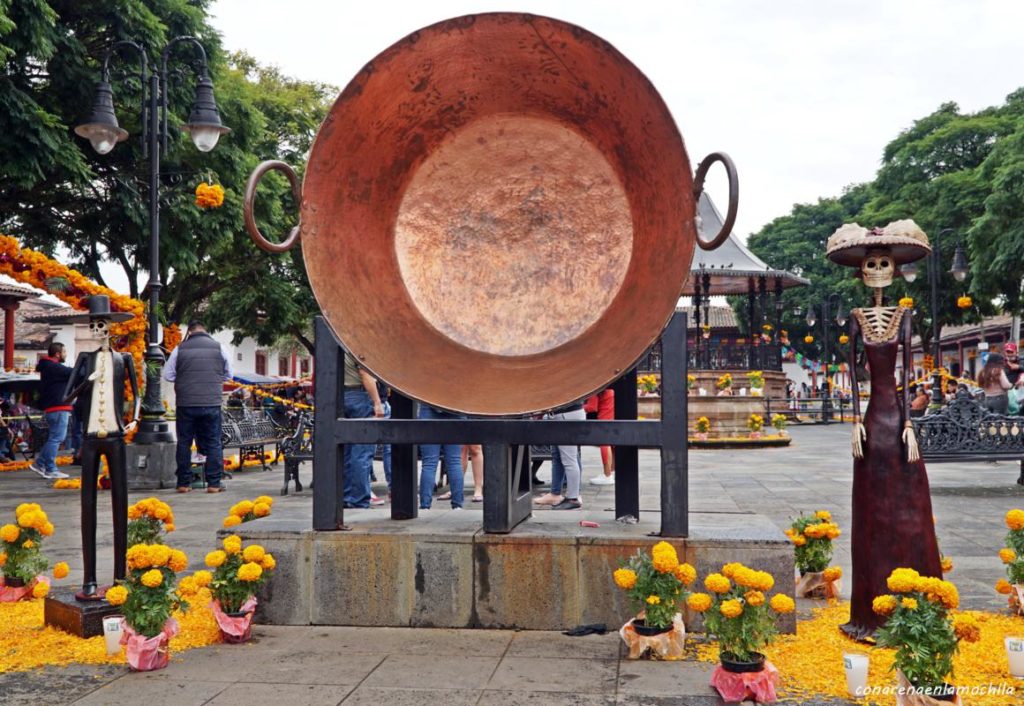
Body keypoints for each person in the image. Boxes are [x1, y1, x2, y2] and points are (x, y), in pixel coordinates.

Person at [826, 220, 942, 639]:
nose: (877, 269)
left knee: (907, 503)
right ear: (862, 271)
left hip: (897, 418)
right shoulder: (857, 317)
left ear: (893, 270)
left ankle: (917, 595)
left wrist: (910, 425)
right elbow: (855, 375)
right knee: (872, 507)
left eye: (884, 263)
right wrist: (855, 422)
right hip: (872, 420)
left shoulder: (905, 315)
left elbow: (908, 371)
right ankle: (869, 609)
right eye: (872, 263)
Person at [164, 320, 233, 493]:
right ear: (205, 330)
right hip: (211, 402)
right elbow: (229, 374)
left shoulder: (179, 349)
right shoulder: (219, 347)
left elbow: (168, 375)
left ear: (190, 332)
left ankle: (183, 483)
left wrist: (184, 378)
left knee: (184, 442)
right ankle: (214, 484)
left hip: (186, 403)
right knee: (213, 443)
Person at [341, 350, 385, 508]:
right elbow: (365, 373)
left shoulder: (338, 342)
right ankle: (359, 499)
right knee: (362, 451)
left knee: (346, 451)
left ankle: (346, 496)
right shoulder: (356, 344)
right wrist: (377, 402)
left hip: (341, 395)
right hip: (359, 394)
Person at [533, 401, 586, 510]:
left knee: (569, 459)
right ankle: (555, 494)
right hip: (563, 413)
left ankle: (573, 498)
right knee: (559, 456)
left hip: (566, 414)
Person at [32, 342, 72, 479]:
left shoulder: (47, 367)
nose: (66, 355)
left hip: (54, 407)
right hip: (58, 407)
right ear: (58, 354)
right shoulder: (53, 367)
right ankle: (49, 468)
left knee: (55, 437)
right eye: (65, 352)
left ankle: (41, 463)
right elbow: (73, 373)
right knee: (56, 438)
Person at [585, 388, 615, 485]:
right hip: (612, 418)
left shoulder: (597, 389)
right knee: (611, 446)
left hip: (603, 420)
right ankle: (610, 472)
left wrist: (578, 407)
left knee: (604, 444)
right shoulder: (611, 389)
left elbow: (592, 407)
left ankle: (607, 476)